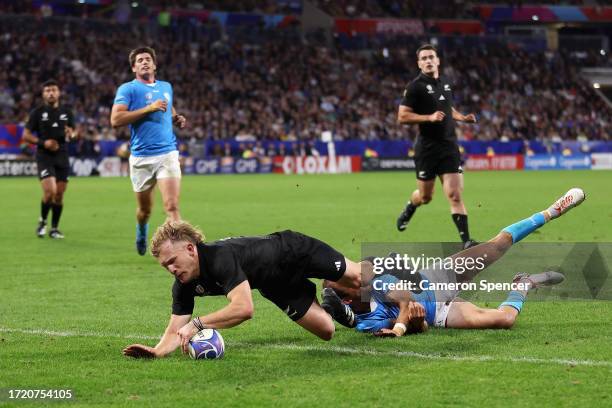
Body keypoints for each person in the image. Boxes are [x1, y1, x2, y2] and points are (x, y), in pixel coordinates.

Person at [325, 188, 585, 336]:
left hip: (436, 277)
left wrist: (400, 328)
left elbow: (404, 299)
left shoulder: (375, 281)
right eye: (347, 279)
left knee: (498, 245)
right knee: (504, 320)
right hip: (440, 313)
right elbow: (422, 325)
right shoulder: (366, 323)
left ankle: (552, 211)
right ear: (347, 300)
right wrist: (416, 324)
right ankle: (523, 284)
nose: (353, 273)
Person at [122, 222, 369, 358]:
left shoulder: (219, 257)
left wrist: (198, 324)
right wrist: (156, 352)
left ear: (190, 249)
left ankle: (395, 266)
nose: (171, 269)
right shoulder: (184, 285)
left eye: (172, 261)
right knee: (326, 331)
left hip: (295, 252)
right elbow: (176, 328)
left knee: (359, 279)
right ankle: (331, 299)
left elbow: (244, 308)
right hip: (275, 285)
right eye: (165, 266)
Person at [396, 44, 478, 249]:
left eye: (431, 57)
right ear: (419, 63)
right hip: (427, 149)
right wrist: (428, 117)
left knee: (454, 195)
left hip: (449, 146)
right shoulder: (415, 87)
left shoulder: (446, 83)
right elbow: (402, 116)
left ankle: (467, 241)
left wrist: (462, 118)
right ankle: (410, 207)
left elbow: (446, 107)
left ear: (438, 60)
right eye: (423, 58)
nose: (428, 61)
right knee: (425, 197)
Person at [110, 46, 187, 256]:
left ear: (155, 64)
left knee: (171, 206)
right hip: (141, 158)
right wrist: (149, 108)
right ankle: (142, 230)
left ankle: (180, 254)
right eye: (140, 60)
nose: (144, 62)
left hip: (167, 153)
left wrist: (175, 117)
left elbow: (167, 106)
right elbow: (115, 120)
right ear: (134, 67)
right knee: (145, 211)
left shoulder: (166, 86)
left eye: (147, 59)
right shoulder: (128, 89)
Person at [22, 79, 76, 239]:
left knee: (59, 195)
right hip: (44, 156)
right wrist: (43, 142)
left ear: (58, 93)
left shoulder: (67, 112)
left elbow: (73, 133)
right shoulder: (37, 113)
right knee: (49, 191)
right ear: (43, 94)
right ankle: (42, 222)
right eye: (47, 90)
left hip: (62, 155)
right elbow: (26, 135)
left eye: (53, 90)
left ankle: (54, 228)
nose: (51, 93)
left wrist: (71, 134)